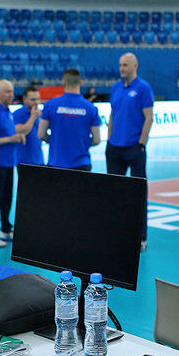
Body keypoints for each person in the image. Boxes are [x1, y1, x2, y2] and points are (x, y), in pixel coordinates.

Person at [106, 52, 153, 249]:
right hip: (114, 149)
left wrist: (141, 143)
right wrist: (109, 139)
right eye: (120, 65)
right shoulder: (116, 88)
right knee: (114, 193)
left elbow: (149, 117)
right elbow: (112, 115)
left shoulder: (143, 88)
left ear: (135, 66)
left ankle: (141, 237)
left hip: (134, 148)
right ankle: (115, 232)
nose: (122, 68)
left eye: (125, 65)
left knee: (138, 193)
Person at [0, 79, 30, 247]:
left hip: (8, 162)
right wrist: (11, 139)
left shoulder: (7, 111)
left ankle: (6, 228)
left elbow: (10, 132)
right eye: (8, 91)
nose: (11, 95)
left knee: (7, 197)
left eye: (12, 91)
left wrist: (17, 136)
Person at [38, 67, 100, 170]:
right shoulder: (91, 108)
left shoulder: (50, 105)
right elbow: (97, 140)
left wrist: (54, 141)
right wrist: (81, 144)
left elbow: (41, 134)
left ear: (64, 82)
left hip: (57, 163)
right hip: (81, 164)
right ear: (80, 82)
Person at [13, 83, 44, 167]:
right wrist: (33, 117)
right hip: (24, 161)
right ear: (24, 99)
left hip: (39, 160)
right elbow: (22, 131)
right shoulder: (17, 114)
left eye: (38, 99)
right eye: (33, 100)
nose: (36, 102)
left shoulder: (40, 113)